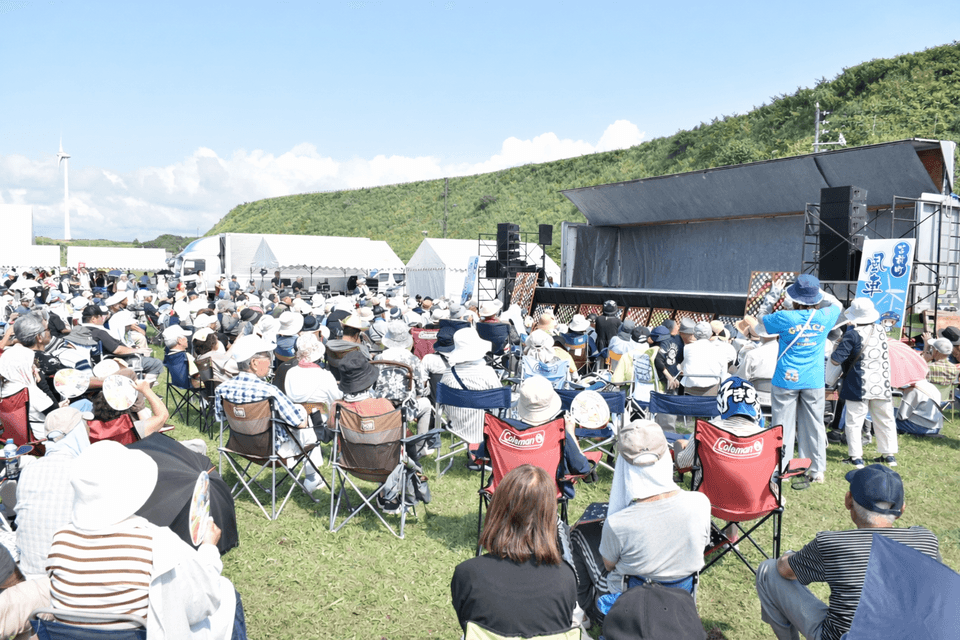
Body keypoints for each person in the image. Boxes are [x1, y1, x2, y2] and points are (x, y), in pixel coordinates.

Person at [46, 440, 245, 638]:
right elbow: (202, 604)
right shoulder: (155, 542)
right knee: (227, 592)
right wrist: (209, 548)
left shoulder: (60, 540)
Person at [755, 464, 941, 640]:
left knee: (768, 570)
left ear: (848, 500)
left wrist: (791, 555)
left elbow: (783, 570)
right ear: (901, 510)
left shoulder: (833, 544)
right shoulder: (927, 540)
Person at [571, 419, 710, 625]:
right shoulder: (700, 503)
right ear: (665, 459)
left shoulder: (619, 523)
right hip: (679, 600)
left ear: (624, 467)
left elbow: (609, 566)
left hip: (629, 602)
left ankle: (588, 612)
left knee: (577, 534)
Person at [451, 465, 578, 638]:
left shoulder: (467, 573)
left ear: (498, 508)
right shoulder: (566, 577)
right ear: (549, 517)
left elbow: (467, 623)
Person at [758, 275, 843, 489]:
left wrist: (773, 295)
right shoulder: (825, 315)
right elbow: (838, 304)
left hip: (785, 377)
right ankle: (817, 469)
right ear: (816, 297)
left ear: (793, 297)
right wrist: (817, 291)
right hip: (813, 378)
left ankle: (781, 467)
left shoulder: (785, 317)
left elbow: (761, 319)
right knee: (814, 424)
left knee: (782, 424)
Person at [214, 335, 325, 494]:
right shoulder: (268, 390)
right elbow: (300, 422)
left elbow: (221, 418)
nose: (272, 361)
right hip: (271, 451)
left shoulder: (222, 389)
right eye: (268, 356)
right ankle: (312, 479)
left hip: (239, 446)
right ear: (254, 363)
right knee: (310, 430)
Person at [830, 298, 898, 469]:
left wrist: (837, 345)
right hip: (881, 382)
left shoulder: (852, 334)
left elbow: (836, 360)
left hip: (858, 383)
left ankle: (856, 457)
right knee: (884, 419)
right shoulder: (881, 330)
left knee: (854, 420)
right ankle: (889, 455)